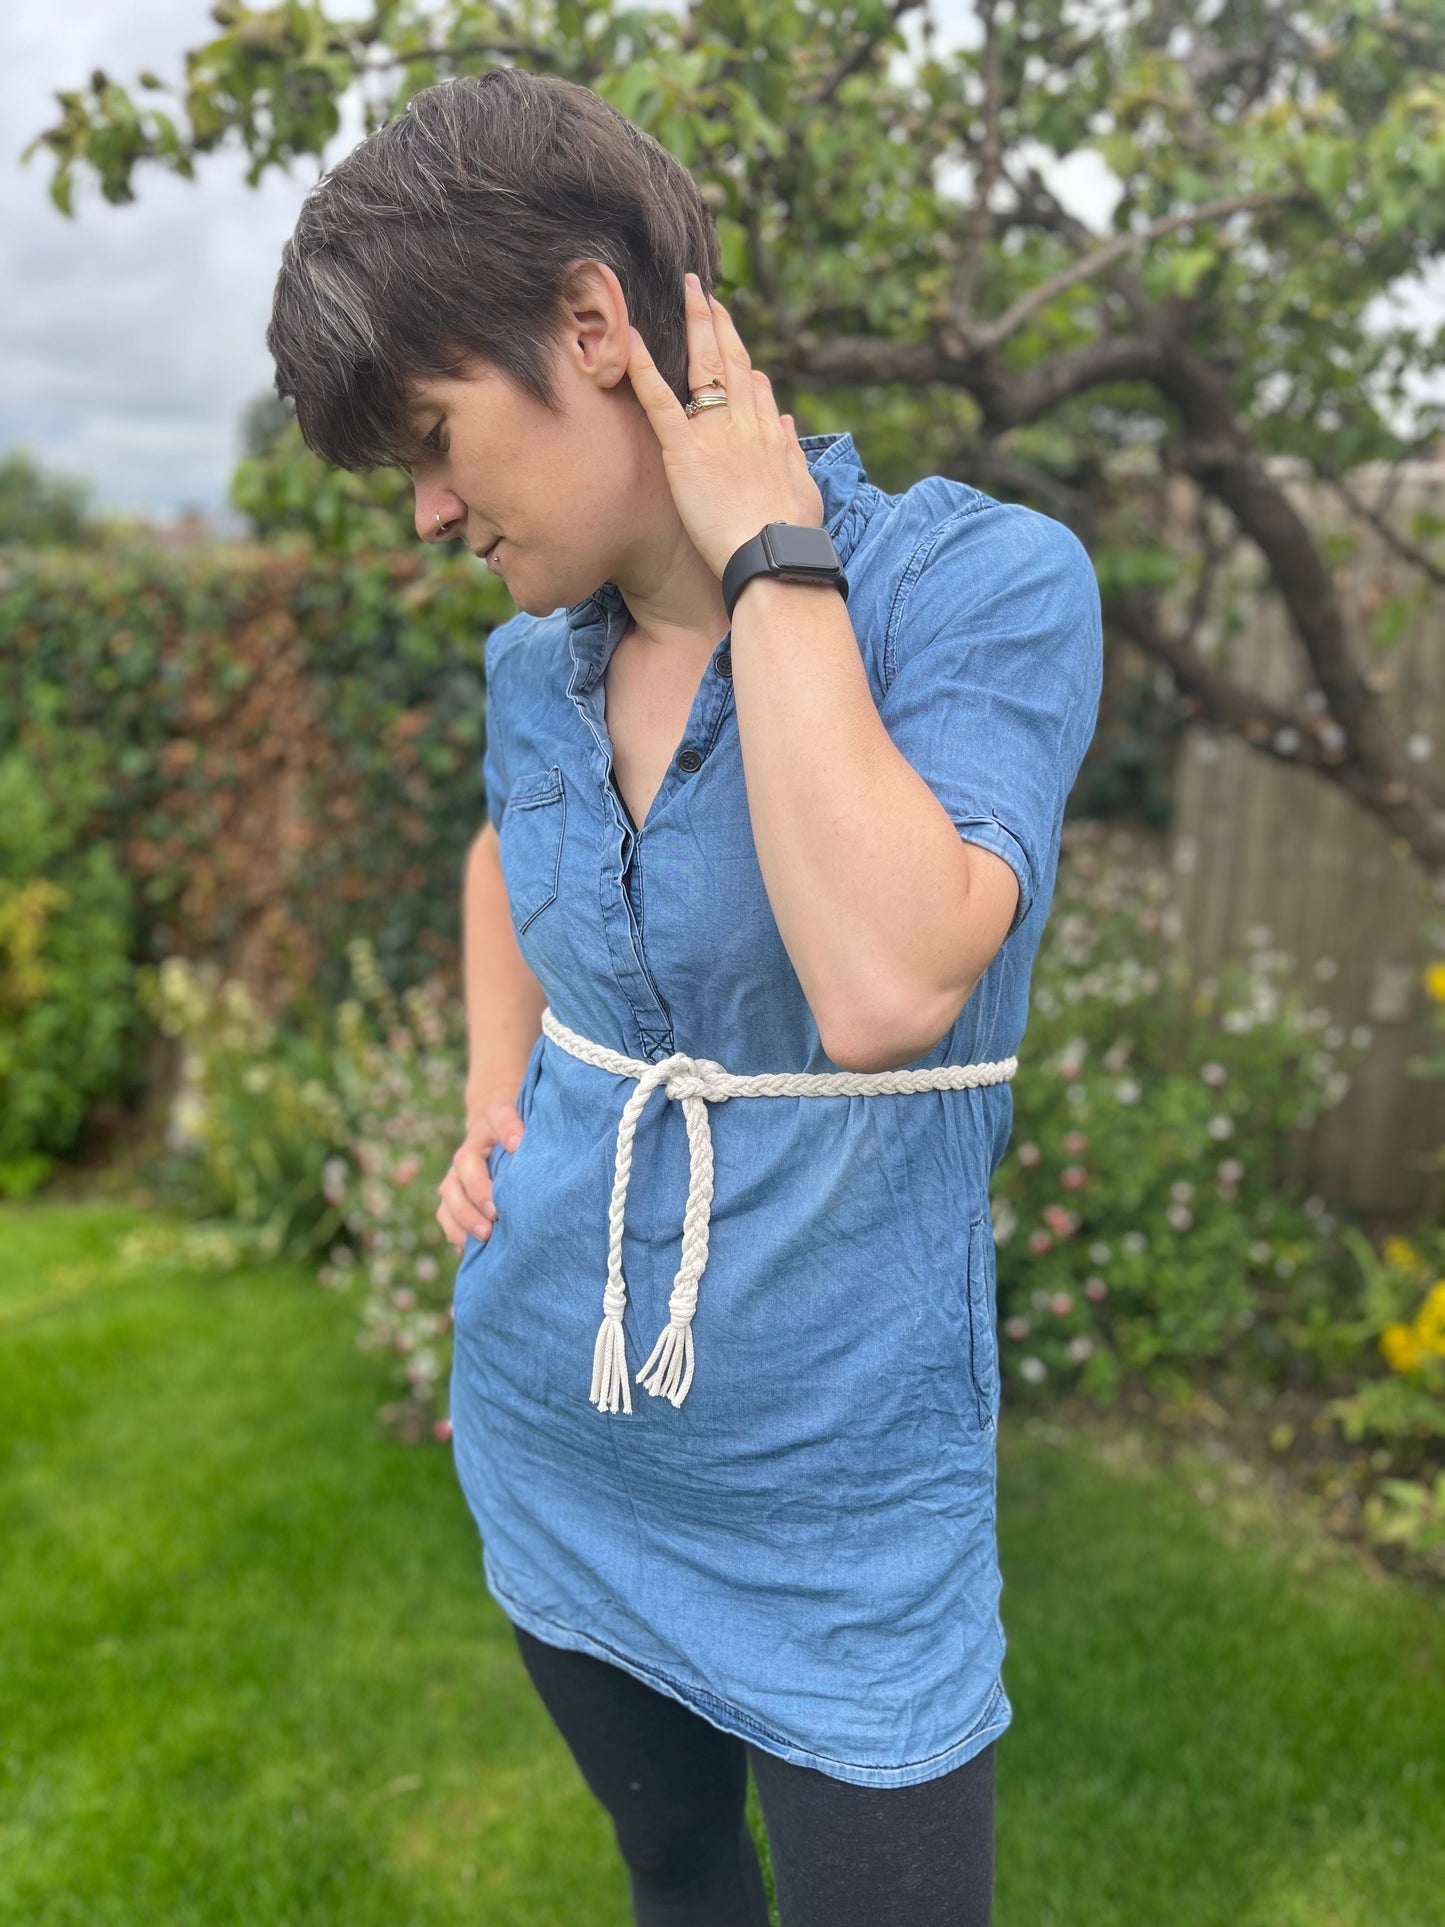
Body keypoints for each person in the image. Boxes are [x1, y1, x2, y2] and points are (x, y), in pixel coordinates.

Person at [267, 67, 1103, 1927]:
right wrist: (500, 1094)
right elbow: (506, 863)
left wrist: (766, 551)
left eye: (429, 436)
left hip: (837, 1505)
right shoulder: (529, 670)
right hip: (558, 1418)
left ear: (594, 327)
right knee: (673, 1882)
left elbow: (888, 980)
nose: (421, 515)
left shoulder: (976, 588)